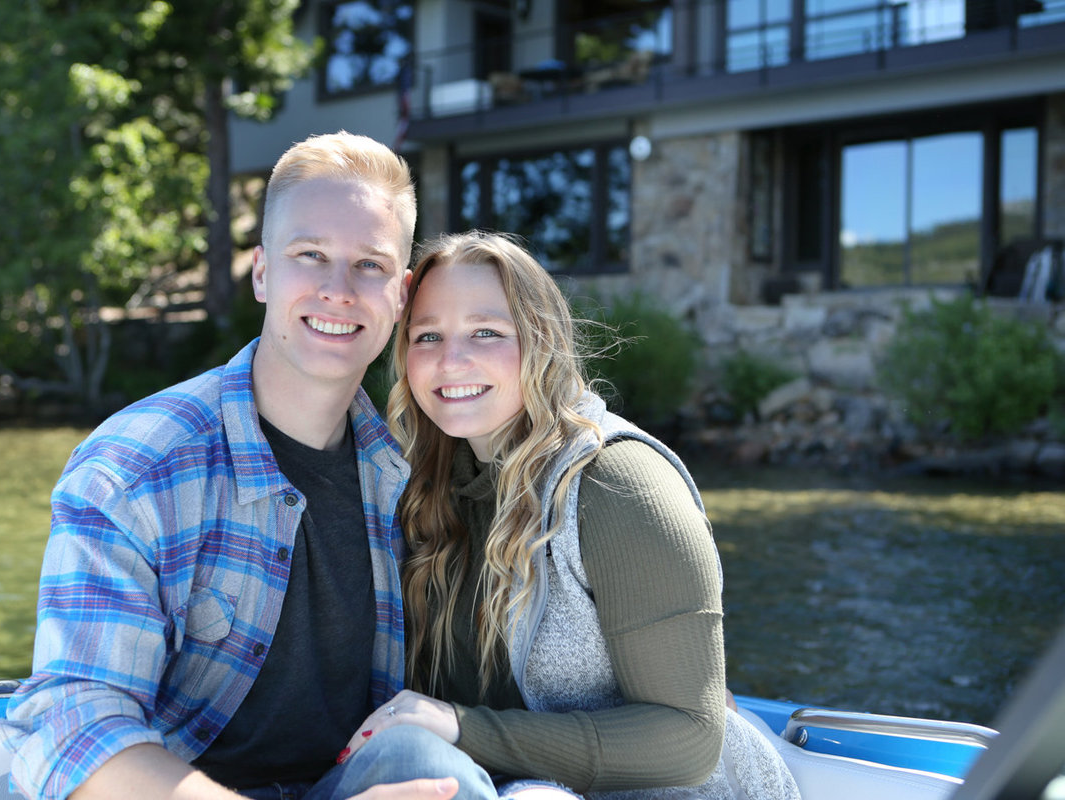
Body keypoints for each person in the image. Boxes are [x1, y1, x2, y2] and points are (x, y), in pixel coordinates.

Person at [0, 133, 496, 800]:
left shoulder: (406, 476)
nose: (338, 290)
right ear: (262, 271)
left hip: (346, 785)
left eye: (369, 265)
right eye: (309, 255)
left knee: (432, 763)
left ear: (402, 295)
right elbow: (71, 726)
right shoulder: (137, 467)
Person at [340, 231, 800, 800]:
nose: (450, 360)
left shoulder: (619, 485)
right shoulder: (412, 487)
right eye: (427, 335)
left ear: (542, 342)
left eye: (486, 332)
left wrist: (465, 729)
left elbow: (690, 738)